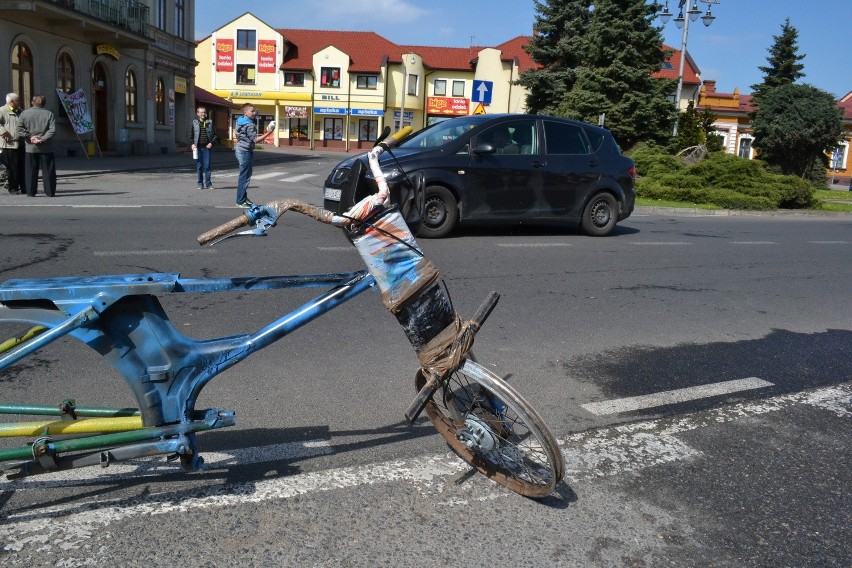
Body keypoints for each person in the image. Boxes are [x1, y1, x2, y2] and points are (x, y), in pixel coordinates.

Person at [233, 103, 273, 208]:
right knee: (245, 177)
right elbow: (255, 140)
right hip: (245, 151)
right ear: (245, 112)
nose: (254, 113)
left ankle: (243, 198)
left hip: (240, 149)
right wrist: (269, 132)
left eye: (254, 110)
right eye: (252, 111)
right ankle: (240, 201)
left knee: (245, 175)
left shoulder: (239, 120)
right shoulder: (249, 124)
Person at [18, 95, 56, 197]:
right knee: (48, 171)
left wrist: (30, 137)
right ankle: (50, 192)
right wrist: (42, 139)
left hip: (31, 147)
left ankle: (30, 192)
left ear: (32, 102)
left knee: (30, 171)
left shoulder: (24, 114)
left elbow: (19, 129)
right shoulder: (49, 114)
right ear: (44, 103)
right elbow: (52, 130)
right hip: (46, 147)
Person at [0, 93, 25, 194]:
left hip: (21, 142)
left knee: (22, 166)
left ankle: (24, 187)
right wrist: (2, 131)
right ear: (11, 102)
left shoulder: (21, 111)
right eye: (18, 100)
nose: (20, 102)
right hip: (9, 144)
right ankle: (13, 187)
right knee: (12, 168)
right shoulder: (2, 110)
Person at [190, 106, 217, 190]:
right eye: (201, 112)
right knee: (199, 166)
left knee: (208, 165)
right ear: (197, 114)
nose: (203, 114)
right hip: (198, 147)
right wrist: (192, 144)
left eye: (204, 112)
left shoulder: (210, 122)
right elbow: (191, 135)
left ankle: (208, 184)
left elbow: (216, 135)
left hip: (207, 148)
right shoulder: (194, 123)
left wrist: (211, 143)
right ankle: (200, 183)